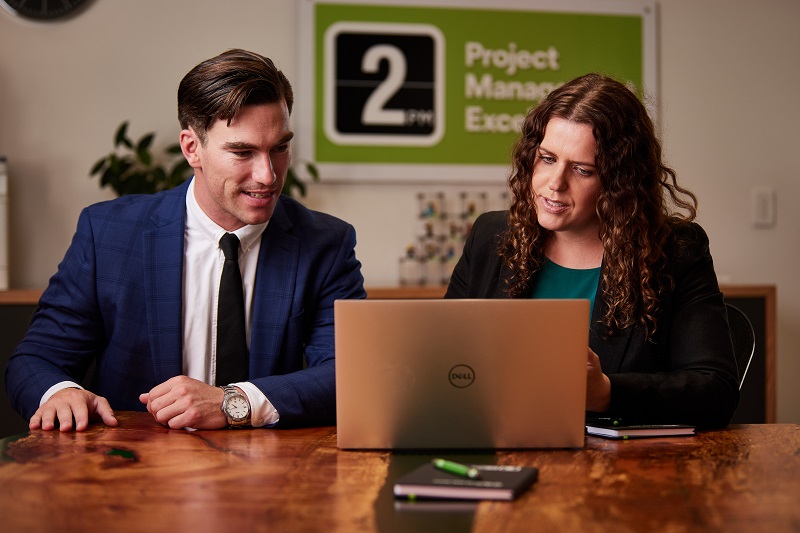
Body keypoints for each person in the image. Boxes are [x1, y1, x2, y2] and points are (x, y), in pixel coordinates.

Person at [5, 49, 366, 431]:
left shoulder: (326, 243)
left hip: (270, 473)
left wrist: (235, 402)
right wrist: (59, 391)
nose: (267, 175)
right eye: (242, 151)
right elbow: (36, 359)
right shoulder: (108, 233)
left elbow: (350, 373)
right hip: (130, 470)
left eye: (279, 148)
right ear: (192, 148)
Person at [445, 73, 739, 429]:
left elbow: (716, 391)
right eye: (547, 158)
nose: (554, 184)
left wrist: (606, 392)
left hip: (614, 469)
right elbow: (444, 358)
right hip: (498, 441)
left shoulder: (676, 252)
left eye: (582, 170)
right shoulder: (490, 236)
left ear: (620, 182)